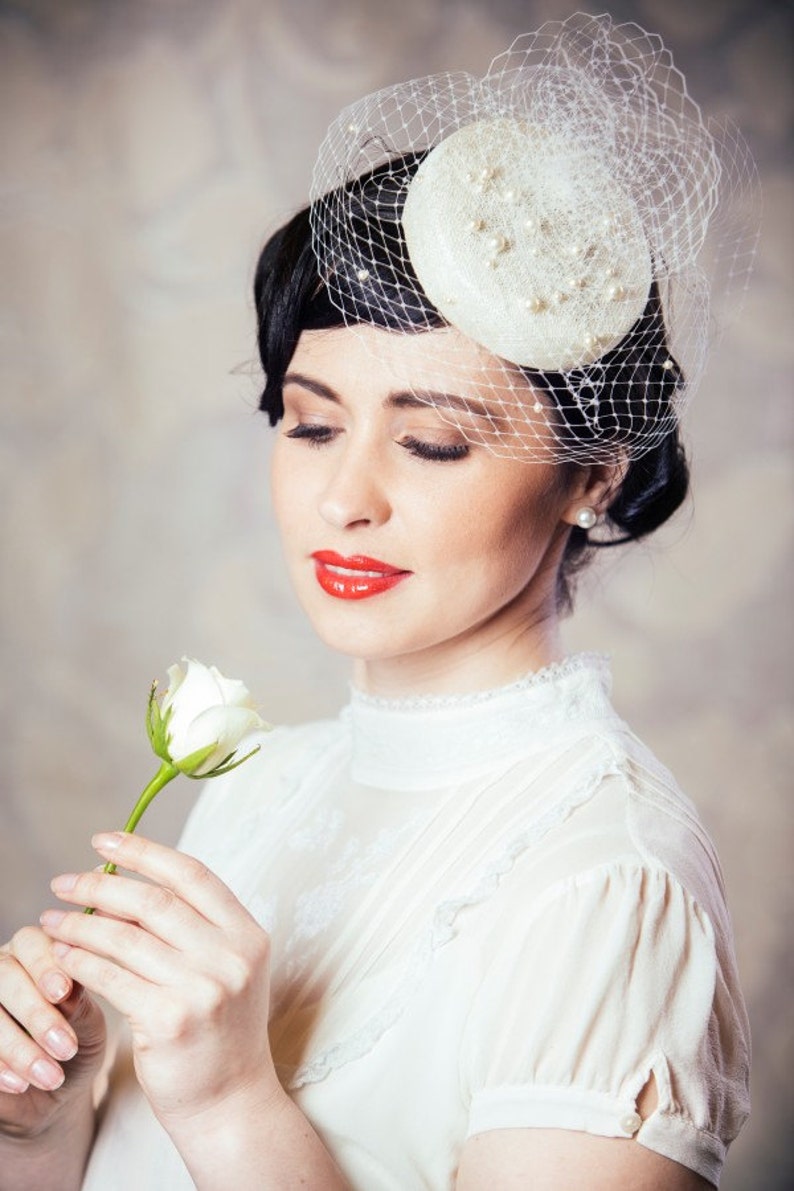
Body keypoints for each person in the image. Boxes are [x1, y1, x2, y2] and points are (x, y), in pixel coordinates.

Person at [0, 14, 756, 1190]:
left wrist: (232, 1101)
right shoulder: (259, 781)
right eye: (308, 424)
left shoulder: (609, 877)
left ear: (593, 474)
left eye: (434, 442)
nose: (342, 498)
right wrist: (41, 1127)